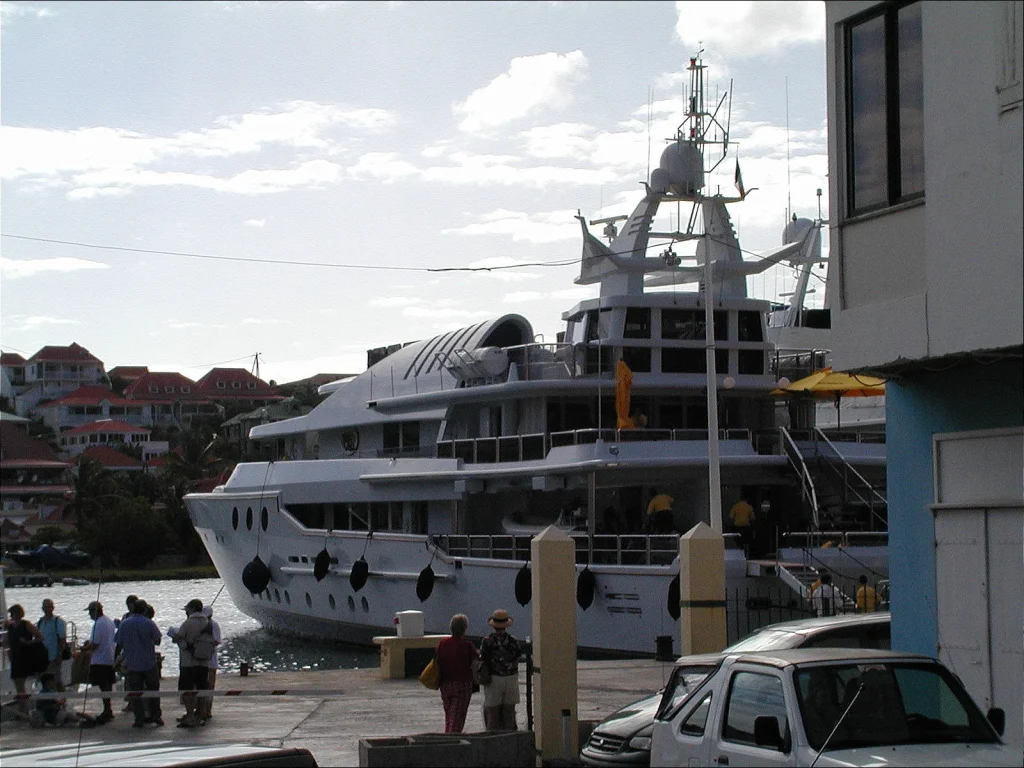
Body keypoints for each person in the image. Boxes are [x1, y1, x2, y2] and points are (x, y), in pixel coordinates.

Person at [114, 599, 163, 728]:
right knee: (153, 691)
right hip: (149, 662)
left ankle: (139, 719)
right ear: (145, 610)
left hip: (132, 663)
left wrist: (115, 659)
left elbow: (118, 643)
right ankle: (156, 716)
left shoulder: (124, 624)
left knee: (135, 693)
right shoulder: (149, 623)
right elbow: (158, 640)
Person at [168, 598, 210, 728]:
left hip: (188, 662)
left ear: (191, 609)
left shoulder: (187, 623)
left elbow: (178, 637)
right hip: (204, 661)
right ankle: (202, 715)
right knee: (202, 689)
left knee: (186, 690)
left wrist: (174, 636)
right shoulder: (209, 623)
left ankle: (190, 715)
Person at [434, 613, 478, 733]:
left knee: (449, 715)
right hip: (462, 684)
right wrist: (477, 681)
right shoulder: (468, 646)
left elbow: (437, 662)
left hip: (445, 685)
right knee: (457, 718)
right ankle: (452, 741)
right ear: (464, 628)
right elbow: (475, 665)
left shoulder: (442, 643)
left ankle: (448, 734)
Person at [479, 609, 521, 731]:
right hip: (511, 678)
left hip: (494, 679)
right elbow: (517, 658)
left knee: (492, 714)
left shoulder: (487, 641)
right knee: (509, 713)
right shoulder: (514, 641)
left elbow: (483, 659)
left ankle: (492, 740)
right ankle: (509, 738)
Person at [3, 604, 44, 719]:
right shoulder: (10, 627)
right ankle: (23, 708)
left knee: (20, 683)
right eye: (11, 614)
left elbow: (40, 637)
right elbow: (7, 642)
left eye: (13, 614)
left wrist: (28, 642)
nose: (12, 616)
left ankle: (24, 709)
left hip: (25, 656)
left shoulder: (26, 624)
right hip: (15, 656)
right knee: (18, 684)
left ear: (19, 614)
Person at [82, 601, 117, 724]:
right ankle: (108, 709)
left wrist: (83, 649)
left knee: (104, 687)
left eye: (90, 612)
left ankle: (107, 711)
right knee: (107, 686)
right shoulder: (109, 622)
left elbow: (95, 644)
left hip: (99, 660)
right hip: (109, 658)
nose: (90, 615)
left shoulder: (98, 624)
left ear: (95, 611)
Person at [38, 598, 68, 692]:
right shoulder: (40, 622)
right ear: (42, 608)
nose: (47, 609)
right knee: (45, 681)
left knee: (57, 680)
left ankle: (63, 700)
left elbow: (62, 639)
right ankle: (50, 701)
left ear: (53, 608)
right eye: (45, 607)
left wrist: (59, 654)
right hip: (43, 658)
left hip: (54, 656)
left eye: (49, 607)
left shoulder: (58, 621)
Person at [199, 604, 222, 721]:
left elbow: (216, 641)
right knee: (209, 686)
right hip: (210, 661)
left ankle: (206, 709)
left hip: (208, 661)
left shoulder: (211, 625)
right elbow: (217, 641)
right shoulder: (215, 625)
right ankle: (206, 709)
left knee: (206, 686)